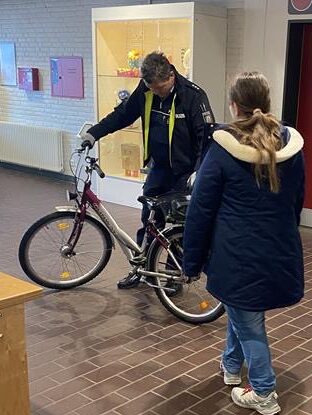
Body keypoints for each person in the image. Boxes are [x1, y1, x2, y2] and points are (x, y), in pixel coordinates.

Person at [182, 71, 305, 415]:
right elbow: (297, 201)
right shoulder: (289, 147)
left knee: (249, 322)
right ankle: (231, 367)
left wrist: (191, 262)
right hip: (278, 248)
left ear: (234, 106)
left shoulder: (222, 150)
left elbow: (200, 210)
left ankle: (264, 392)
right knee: (242, 309)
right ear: (266, 102)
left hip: (236, 255)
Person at [82, 51, 214, 289]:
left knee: (179, 225)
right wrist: (94, 133)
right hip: (159, 168)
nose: (156, 93)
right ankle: (142, 270)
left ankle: (174, 275)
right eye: (152, 88)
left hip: (185, 173)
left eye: (160, 88)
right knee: (149, 219)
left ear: (171, 76)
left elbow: (206, 138)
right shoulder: (146, 90)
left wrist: (199, 172)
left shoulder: (193, 96)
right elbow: (123, 115)